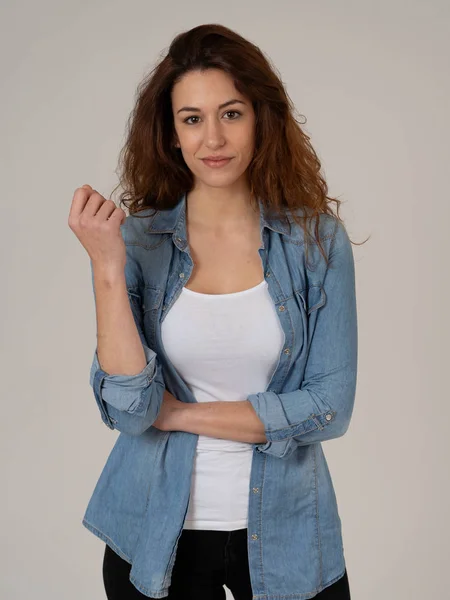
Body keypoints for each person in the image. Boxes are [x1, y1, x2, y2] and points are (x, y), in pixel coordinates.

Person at [69, 23, 365, 600]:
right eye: (192, 118)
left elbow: (331, 408)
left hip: (286, 534)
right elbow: (130, 409)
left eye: (231, 113)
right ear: (171, 134)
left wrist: (178, 415)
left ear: (260, 118)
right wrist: (107, 265)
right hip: (157, 533)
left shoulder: (317, 243)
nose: (213, 139)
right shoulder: (137, 243)